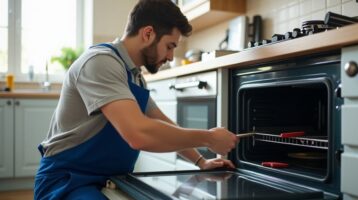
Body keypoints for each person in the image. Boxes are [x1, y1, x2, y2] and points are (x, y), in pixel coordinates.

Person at [34, 0, 238, 199]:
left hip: (111, 179)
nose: (170, 56)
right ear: (148, 33)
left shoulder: (135, 77)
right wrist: (209, 138)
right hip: (67, 181)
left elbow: (161, 123)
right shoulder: (100, 62)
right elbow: (138, 134)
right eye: (169, 46)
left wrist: (201, 161)